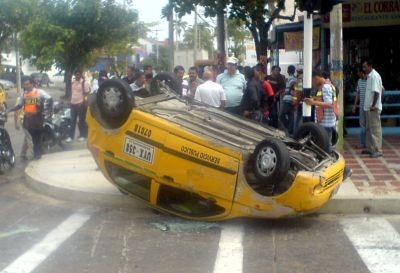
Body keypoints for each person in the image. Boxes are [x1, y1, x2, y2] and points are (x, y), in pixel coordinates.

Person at [8, 76, 52, 160]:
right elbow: (20, 105)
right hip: (28, 120)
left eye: (27, 84)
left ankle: (37, 154)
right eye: (24, 84)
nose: (25, 86)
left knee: (37, 138)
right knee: (33, 138)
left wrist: (47, 112)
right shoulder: (24, 95)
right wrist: (10, 110)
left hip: (37, 120)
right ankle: (37, 154)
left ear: (32, 84)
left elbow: (49, 99)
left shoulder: (39, 93)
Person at [304, 69, 338, 149]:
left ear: (316, 78)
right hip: (326, 121)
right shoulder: (327, 85)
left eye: (312, 82)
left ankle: (329, 160)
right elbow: (324, 100)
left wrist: (313, 103)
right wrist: (314, 99)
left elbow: (329, 104)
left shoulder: (326, 87)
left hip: (326, 122)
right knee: (324, 144)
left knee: (326, 145)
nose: (313, 84)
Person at [362, 59, 383, 158]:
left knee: (375, 129)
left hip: (373, 108)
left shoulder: (374, 76)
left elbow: (376, 92)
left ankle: (378, 150)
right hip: (368, 108)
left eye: (365, 67)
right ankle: (371, 148)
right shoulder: (370, 77)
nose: (364, 69)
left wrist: (374, 105)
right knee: (369, 129)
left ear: (370, 66)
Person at [65, 68, 90, 143]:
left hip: (80, 104)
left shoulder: (84, 83)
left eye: (78, 74)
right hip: (73, 103)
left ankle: (82, 135)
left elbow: (87, 94)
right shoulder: (73, 82)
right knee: (72, 120)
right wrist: (69, 100)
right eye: (76, 74)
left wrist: (83, 101)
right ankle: (70, 136)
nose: (77, 75)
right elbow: (71, 92)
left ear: (81, 74)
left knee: (81, 121)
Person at [352, 66, 368, 149]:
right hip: (362, 106)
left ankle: (367, 144)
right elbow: (357, 94)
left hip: (369, 107)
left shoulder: (370, 80)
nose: (357, 74)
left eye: (358, 72)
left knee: (368, 126)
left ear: (361, 72)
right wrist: (355, 105)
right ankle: (362, 143)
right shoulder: (359, 81)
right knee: (362, 125)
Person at [280, 65, 297, 135]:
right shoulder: (292, 79)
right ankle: (290, 131)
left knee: (282, 115)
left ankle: (289, 129)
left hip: (288, 99)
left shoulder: (292, 79)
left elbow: (293, 88)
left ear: (288, 71)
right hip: (290, 99)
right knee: (291, 116)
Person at [292, 67, 304, 133]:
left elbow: (299, 92)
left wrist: (296, 103)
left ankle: (296, 133)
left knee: (298, 119)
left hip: (299, 102)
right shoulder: (303, 79)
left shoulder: (300, 80)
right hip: (301, 101)